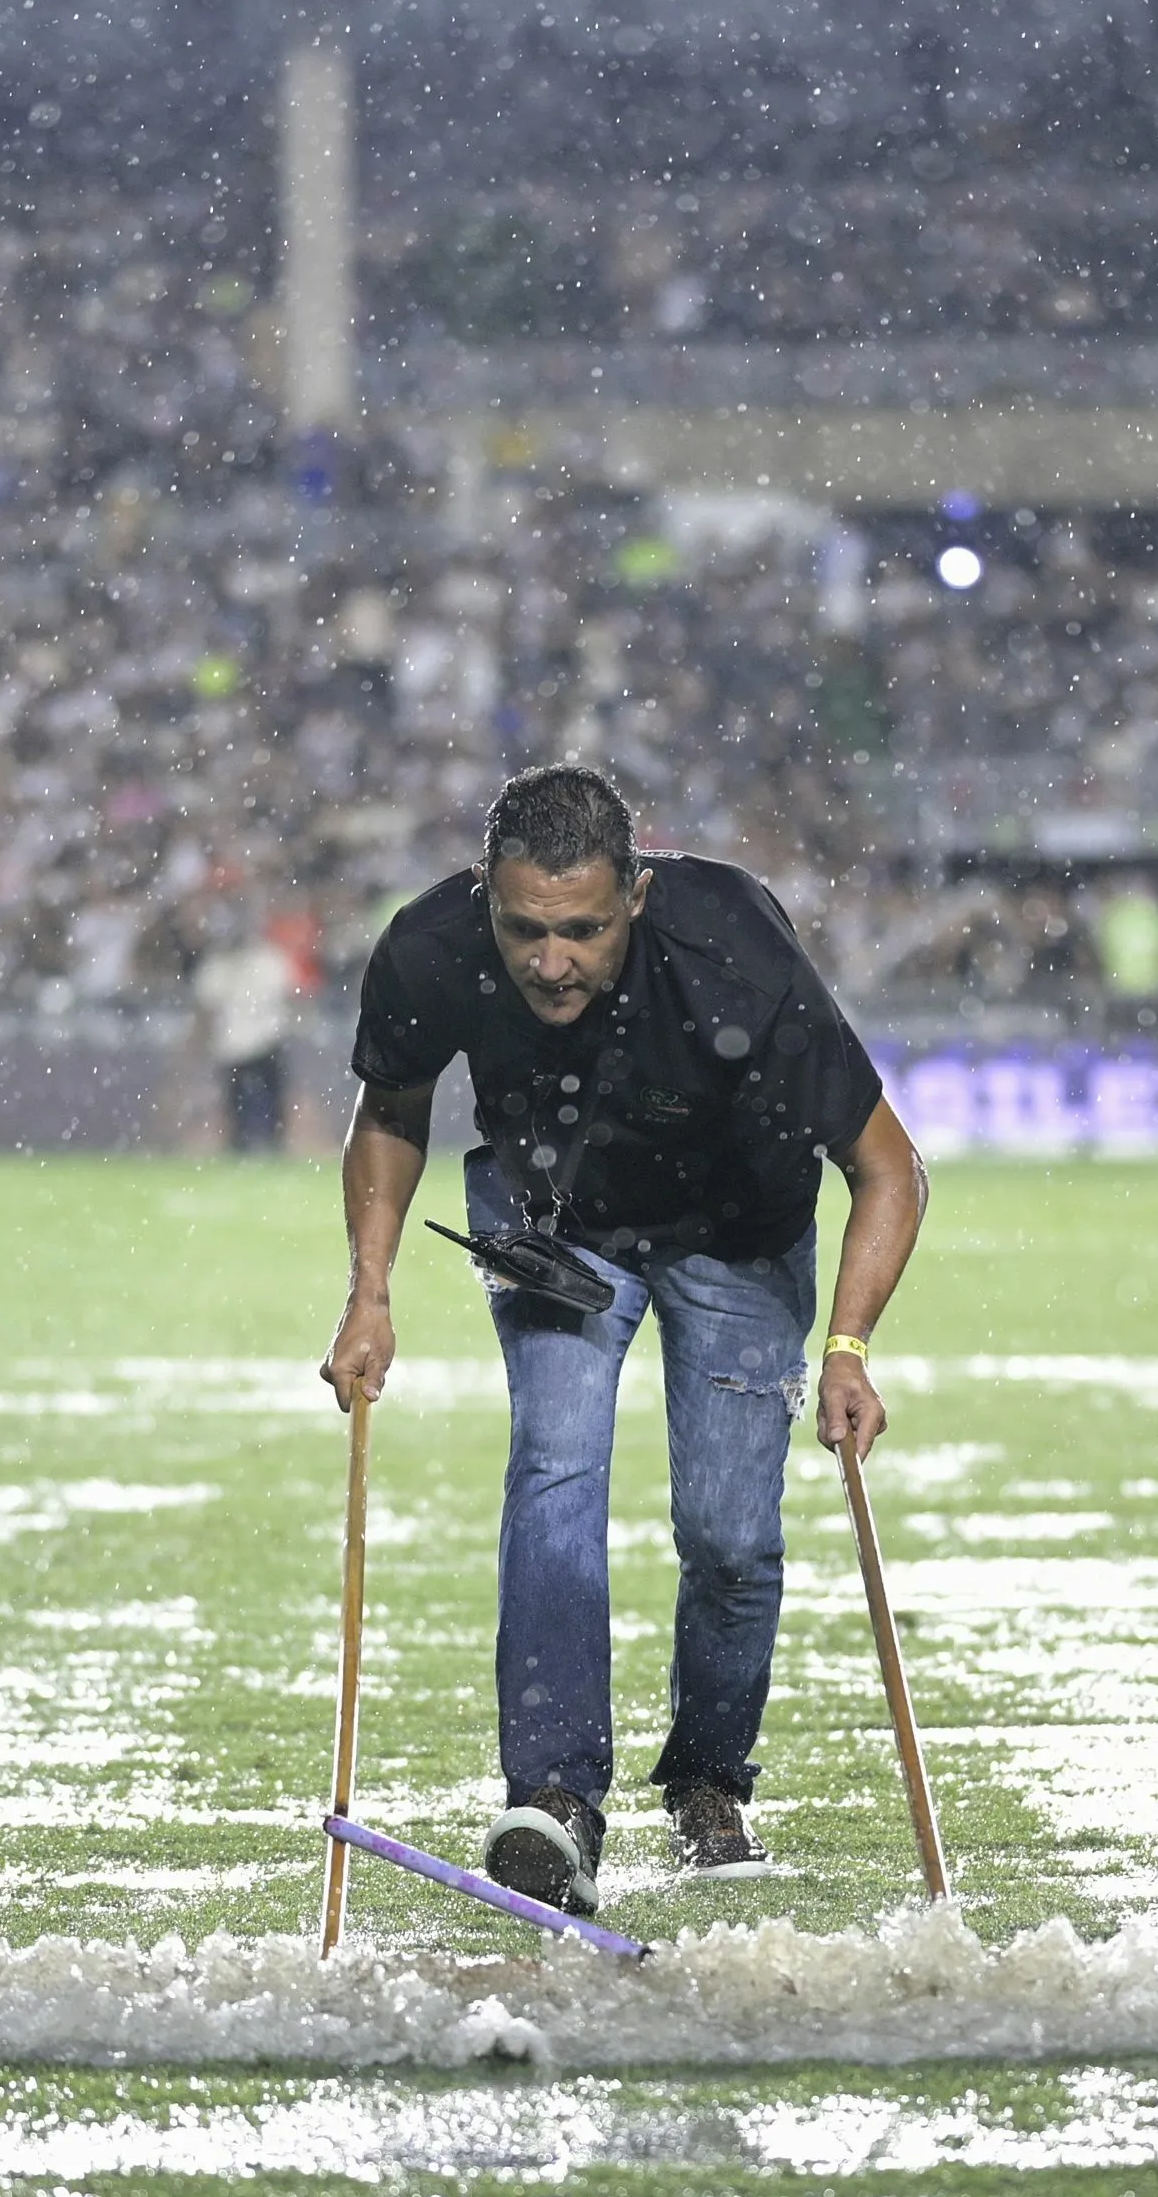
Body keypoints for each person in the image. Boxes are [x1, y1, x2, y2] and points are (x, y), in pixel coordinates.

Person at [319, 764, 929, 1913]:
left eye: (583, 932)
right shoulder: (429, 945)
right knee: (553, 1469)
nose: (551, 962)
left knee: (729, 1529)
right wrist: (370, 1290)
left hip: (739, 1234)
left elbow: (888, 1167)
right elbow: (390, 1111)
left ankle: (706, 1781)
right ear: (486, 898)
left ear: (636, 897)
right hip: (554, 1225)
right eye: (524, 930)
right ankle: (553, 1800)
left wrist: (848, 1349)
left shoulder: (732, 944)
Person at [192, 913, 300, 1154]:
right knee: (239, 1102)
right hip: (239, 1043)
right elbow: (207, 1009)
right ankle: (246, 1144)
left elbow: (289, 998)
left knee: (265, 1099)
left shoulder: (267, 960)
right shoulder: (222, 964)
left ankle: (268, 1143)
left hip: (260, 1040)